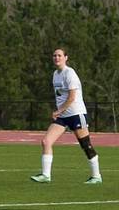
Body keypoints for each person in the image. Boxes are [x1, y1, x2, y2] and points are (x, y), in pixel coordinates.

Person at [30, 47, 102, 184]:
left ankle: (96, 176)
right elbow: (60, 95)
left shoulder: (70, 74)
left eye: (59, 55)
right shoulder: (55, 74)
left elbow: (72, 97)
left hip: (76, 113)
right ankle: (46, 175)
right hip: (63, 116)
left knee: (86, 145)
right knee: (46, 141)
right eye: (54, 55)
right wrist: (60, 111)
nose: (56, 58)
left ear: (66, 58)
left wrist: (59, 110)